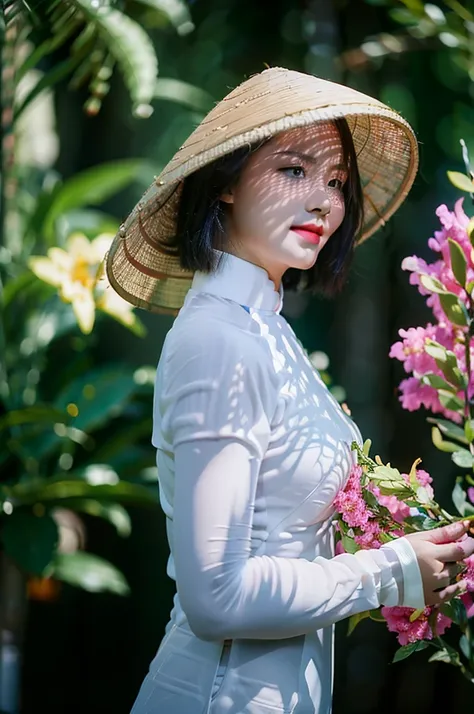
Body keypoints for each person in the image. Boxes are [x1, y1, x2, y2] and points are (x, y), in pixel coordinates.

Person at [106, 67, 474, 714]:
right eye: (294, 170)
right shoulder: (221, 340)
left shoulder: (269, 334)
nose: (325, 201)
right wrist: (390, 570)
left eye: (336, 182)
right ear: (224, 182)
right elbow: (215, 596)